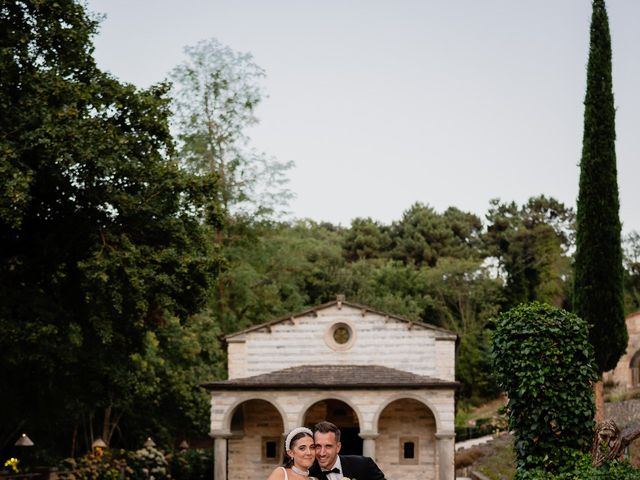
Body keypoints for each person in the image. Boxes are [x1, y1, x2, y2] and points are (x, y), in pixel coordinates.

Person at [309, 421, 386, 480]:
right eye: (318, 446)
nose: (322, 453)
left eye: (328, 446)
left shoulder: (363, 465)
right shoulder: (308, 473)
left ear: (338, 447)